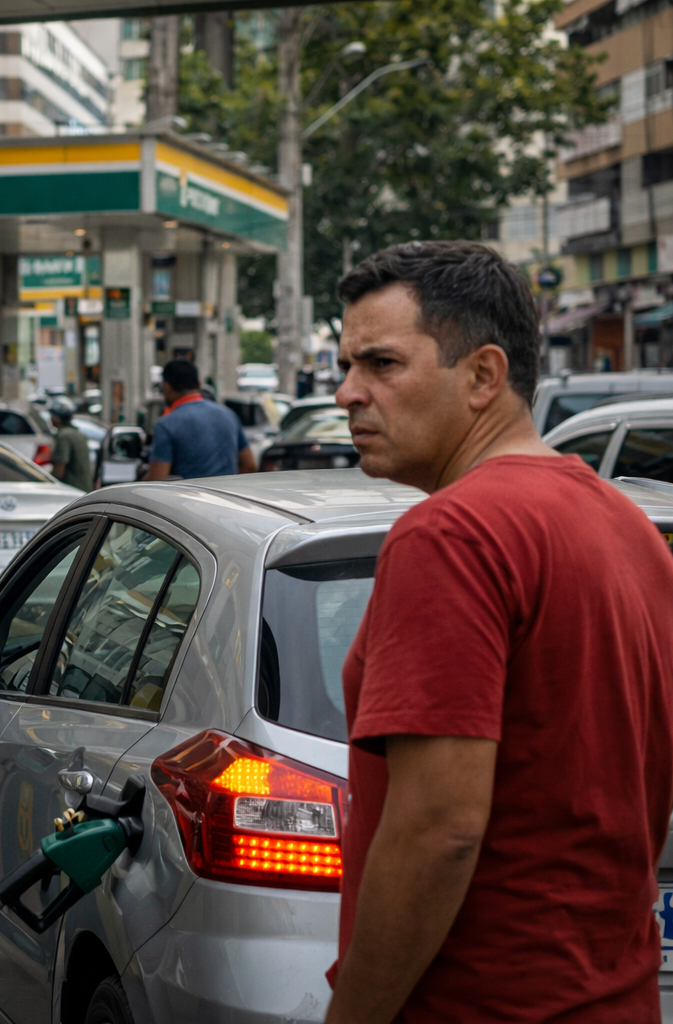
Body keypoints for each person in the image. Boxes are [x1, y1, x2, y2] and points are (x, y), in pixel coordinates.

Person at [324, 241, 673, 1022]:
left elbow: (439, 828)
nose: (348, 393)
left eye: (381, 365)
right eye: (345, 366)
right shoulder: (628, 526)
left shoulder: (449, 535)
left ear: (483, 375)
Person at [143, 359, 255, 479]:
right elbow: (250, 466)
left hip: (188, 497)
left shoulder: (166, 424)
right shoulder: (229, 415)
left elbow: (157, 479)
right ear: (199, 385)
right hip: (226, 495)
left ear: (167, 387)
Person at [46, 396, 92, 491]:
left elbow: (59, 471)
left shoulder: (63, 436)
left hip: (72, 490)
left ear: (57, 418)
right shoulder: (78, 434)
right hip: (84, 489)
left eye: (52, 416)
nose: (50, 419)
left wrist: (45, 480)